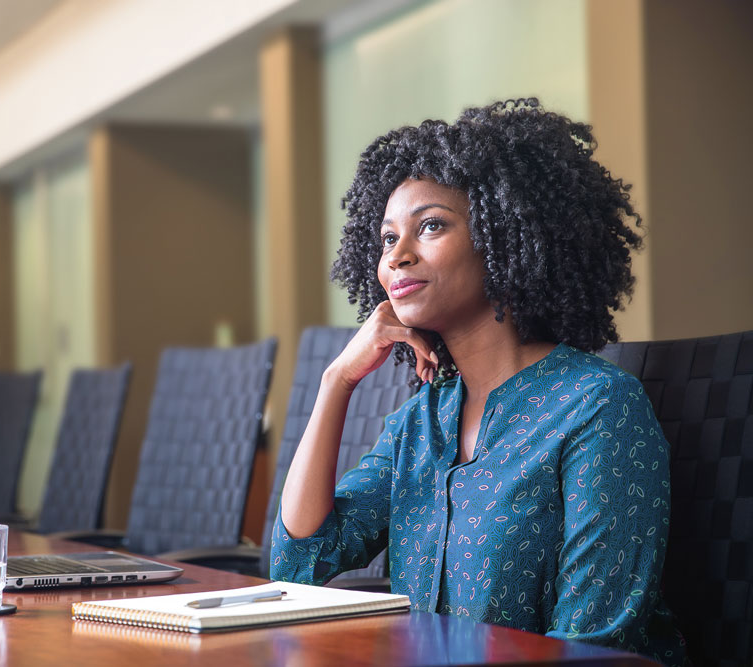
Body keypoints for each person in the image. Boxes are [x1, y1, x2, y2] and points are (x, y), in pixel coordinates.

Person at [270, 99, 687, 666]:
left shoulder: (596, 408)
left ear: (504, 237)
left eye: (431, 226)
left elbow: (593, 645)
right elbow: (300, 562)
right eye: (388, 238)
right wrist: (337, 380)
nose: (398, 256)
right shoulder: (423, 418)